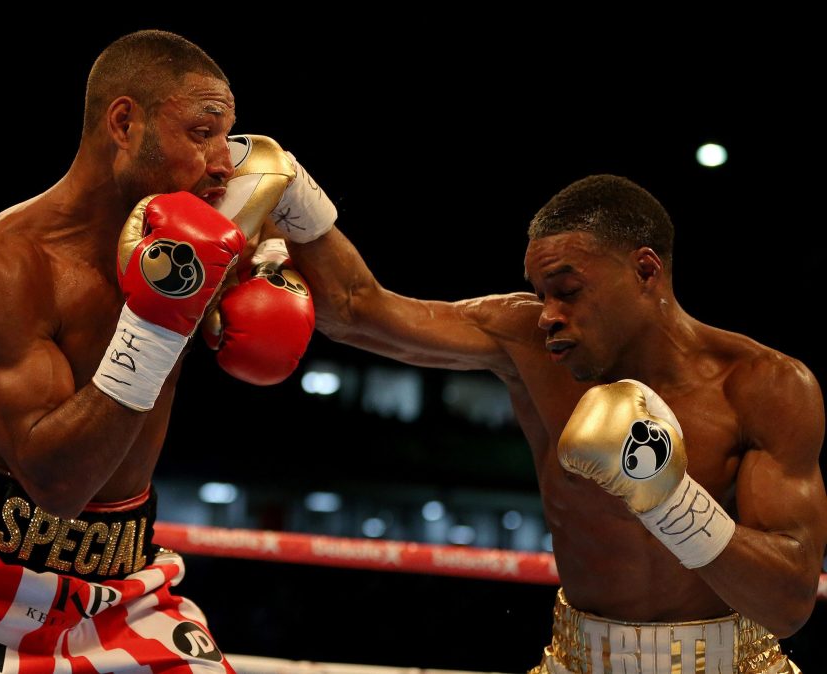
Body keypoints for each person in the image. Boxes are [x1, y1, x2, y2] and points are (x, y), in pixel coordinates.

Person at [264, 161, 827, 672]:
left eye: (568, 291)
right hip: (578, 660)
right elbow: (357, 310)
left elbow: (789, 603)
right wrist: (291, 193)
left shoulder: (765, 386)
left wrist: (672, 500)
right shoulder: (525, 339)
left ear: (646, 271)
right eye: (540, 294)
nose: (549, 316)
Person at [0, 31, 312, 672]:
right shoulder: (1, 267)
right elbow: (58, 486)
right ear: (124, 123)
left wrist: (306, 217)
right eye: (202, 131)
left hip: (127, 589)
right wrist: (161, 320)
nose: (223, 161)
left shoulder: (207, 231)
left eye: (227, 135)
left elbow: (360, 307)